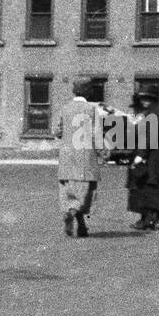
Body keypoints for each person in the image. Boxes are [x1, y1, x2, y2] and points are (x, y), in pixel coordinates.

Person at [57, 78, 104, 238]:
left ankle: (81, 225)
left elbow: (56, 131)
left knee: (69, 192)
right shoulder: (91, 109)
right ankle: (73, 212)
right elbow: (97, 134)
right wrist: (102, 151)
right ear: (88, 92)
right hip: (85, 158)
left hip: (67, 157)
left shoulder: (65, 108)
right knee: (85, 194)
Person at [126, 91, 159, 230]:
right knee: (150, 189)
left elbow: (149, 137)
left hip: (152, 160)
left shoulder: (153, 114)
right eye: (142, 98)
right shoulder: (153, 113)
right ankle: (151, 217)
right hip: (154, 160)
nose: (144, 101)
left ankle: (152, 217)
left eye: (147, 98)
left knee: (147, 189)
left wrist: (140, 155)